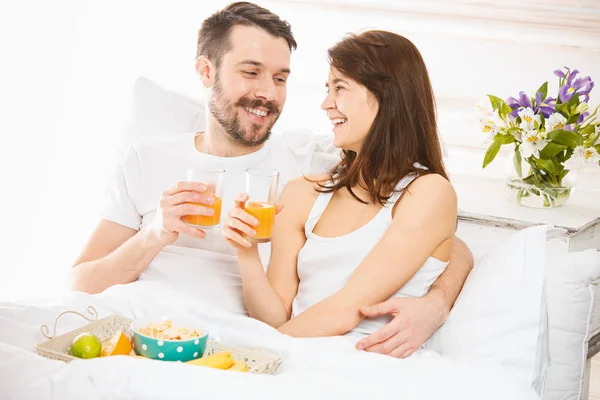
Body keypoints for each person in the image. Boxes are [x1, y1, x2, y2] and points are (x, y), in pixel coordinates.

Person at [69, 2, 473, 358]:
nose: (268, 93)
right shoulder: (147, 158)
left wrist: (438, 303)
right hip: (132, 325)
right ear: (206, 71)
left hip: (229, 340)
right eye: (251, 72)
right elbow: (79, 284)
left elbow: (443, 238)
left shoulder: (306, 164)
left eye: (280, 78)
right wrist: (153, 235)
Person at [221, 30, 458, 354]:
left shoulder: (428, 192)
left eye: (340, 88)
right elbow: (275, 320)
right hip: (291, 354)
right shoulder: (302, 193)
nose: (326, 104)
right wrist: (246, 254)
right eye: (327, 89)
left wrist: (251, 355)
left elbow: (349, 308)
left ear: (387, 96)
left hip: (364, 366)